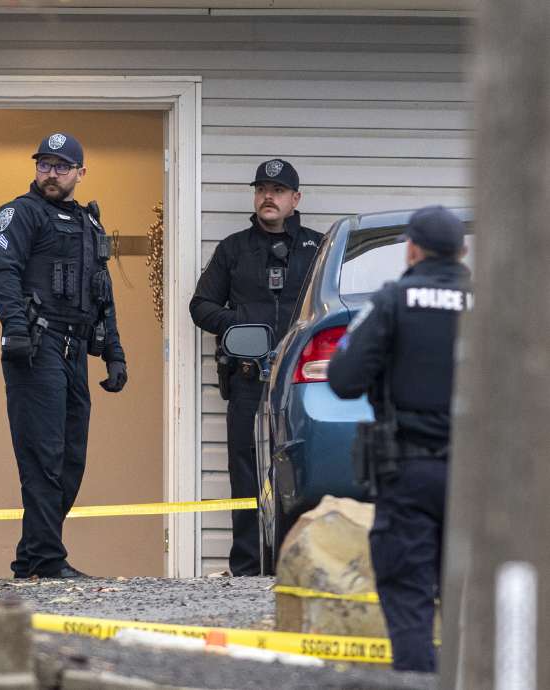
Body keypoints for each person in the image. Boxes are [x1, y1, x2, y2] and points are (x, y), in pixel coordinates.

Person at [327, 205, 470, 673]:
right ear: (462, 252)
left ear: (411, 249)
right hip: (479, 479)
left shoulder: (391, 302)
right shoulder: (493, 307)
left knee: (408, 595)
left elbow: (344, 378)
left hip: (407, 470)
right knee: (473, 603)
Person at [0, 132, 127, 579]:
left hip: (75, 349)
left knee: (71, 457)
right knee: (43, 456)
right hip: (37, 346)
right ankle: (47, 559)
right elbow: (2, 274)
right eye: (44, 164)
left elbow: (102, 295)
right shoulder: (19, 214)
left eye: (61, 166)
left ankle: (31, 557)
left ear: (80, 173)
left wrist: (115, 354)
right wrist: (14, 330)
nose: (51, 173)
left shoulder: (89, 224)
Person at [188, 159, 323, 576]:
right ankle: (247, 568)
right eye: (263, 188)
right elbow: (201, 306)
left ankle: (299, 566)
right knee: (245, 475)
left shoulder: (318, 248)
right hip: (248, 381)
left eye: (278, 190)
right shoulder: (233, 248)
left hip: (303, 385)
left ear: (295, 199)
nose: (269, 196)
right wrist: (239, 323)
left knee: (305, 470)